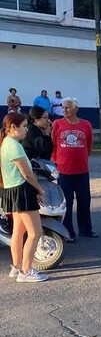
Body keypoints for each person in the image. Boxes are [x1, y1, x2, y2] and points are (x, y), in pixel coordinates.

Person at [0, 112, 48, 282]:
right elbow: (27, 174)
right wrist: (39, 189)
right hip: (22, 190)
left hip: (13, 191)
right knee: (35, 232)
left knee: (19, 232)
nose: (27, 130)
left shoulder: (7, 143)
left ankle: (17, 267)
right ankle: (26, 271)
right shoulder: (14, 145)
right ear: (13, 127)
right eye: (24, 126)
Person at [52, 97, 95, 242]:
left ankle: (86, 229)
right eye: (63, 107)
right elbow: (53, 144)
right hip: (64, 171)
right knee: (66, 203)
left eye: (67, 107)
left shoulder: (86, 124)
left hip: (82, 170)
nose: (64, 110)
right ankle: (67, 232)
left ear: (76, 109)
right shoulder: (57, 124)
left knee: (84, 201)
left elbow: (88, 145)